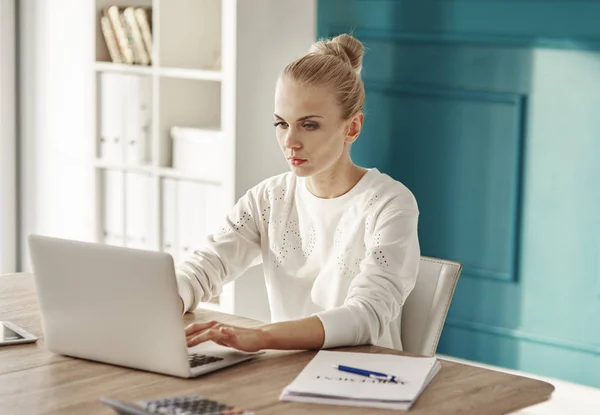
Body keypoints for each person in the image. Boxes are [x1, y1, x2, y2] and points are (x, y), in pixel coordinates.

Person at [176, 34, 420, 353]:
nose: (290, 141)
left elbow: (367, 316)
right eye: (281, 123)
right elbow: (206, 266)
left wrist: (263, 336)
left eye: (309, 125)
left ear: (352, 128)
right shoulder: (269, 198)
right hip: (285, 372)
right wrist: (161, 301)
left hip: (364, 380)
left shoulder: (390, 204)